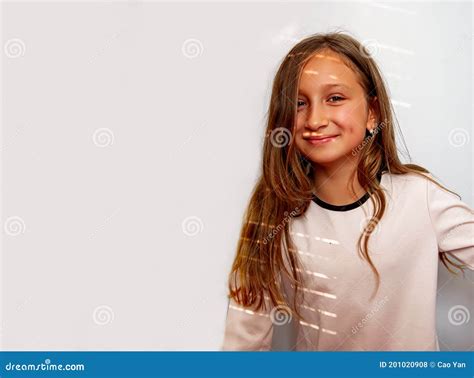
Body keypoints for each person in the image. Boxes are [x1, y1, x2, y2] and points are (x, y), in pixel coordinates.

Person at [220, 31, 474, 351]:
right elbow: (242, 344)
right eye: (299, 103)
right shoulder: (274, 217)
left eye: (335, 98)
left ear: (373, 113)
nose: (314, 119)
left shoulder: (421, 198)